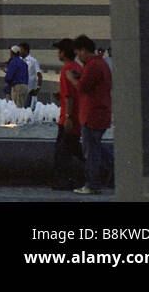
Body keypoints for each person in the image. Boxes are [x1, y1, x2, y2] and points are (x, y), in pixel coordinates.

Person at [71, 34, 114, 195]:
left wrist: (72, 79)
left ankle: (92, 185)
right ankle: (117, 174)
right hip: (100, 113)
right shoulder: (101, 63)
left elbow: (83, 88)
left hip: (92, 115)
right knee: (97, 149)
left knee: (91, 152)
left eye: (78, 53)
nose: (78, 57)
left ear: (83, 50)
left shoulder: (93, 65)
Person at [52, 37, 85, 191]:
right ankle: (92, 175)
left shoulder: (67, 70)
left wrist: (67, 118)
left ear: (63, 53)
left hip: (68, 118)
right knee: (75, 149)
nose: (58, 53)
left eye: (59, 50)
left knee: (62, 152)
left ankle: (64, 182)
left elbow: (70, 97)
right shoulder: (77, 67)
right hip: (78, 116)